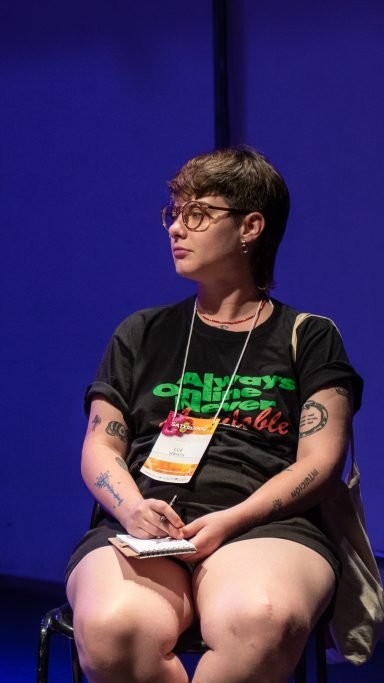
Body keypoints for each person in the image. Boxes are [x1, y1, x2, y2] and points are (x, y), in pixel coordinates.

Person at [64, 146, 362, 682]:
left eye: (196, 213)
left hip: (267, 525)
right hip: (147, 522)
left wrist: (231, 520)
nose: (176, 228)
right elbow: (100, 444)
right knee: (115, 626)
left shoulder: (309, 336)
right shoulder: (142, 332)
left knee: (260, 617)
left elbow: (322, 460)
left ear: (250, 227)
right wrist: (131, 508)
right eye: (173, 214)